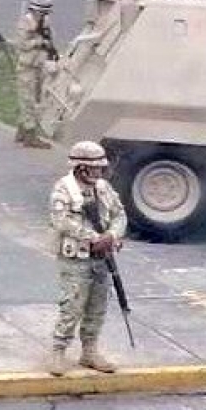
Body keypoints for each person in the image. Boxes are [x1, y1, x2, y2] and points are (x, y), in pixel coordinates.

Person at [46, 141, 128, 376]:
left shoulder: (103, 188)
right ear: (81, 168)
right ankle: (58, 351)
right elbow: (62, 222)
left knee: (97, 305)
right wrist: (94, 238)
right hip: (75, 259)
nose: (100, 172)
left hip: (101, 258)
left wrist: (111, 235)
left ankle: (89, 350)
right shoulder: (64, 190)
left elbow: (119, 214)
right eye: (95, 168)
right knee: (72, 305)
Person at [16, 0, 58, 149]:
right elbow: (22, 44)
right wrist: (39, 41)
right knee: (28, 101)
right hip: (27, 66)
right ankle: (30, 135)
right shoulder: (26, 21)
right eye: (41, 12)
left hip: (38, 65)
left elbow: (49, 39)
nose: (43, 16)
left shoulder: (45, 23)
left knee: (35, 99)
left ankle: (22, 130)